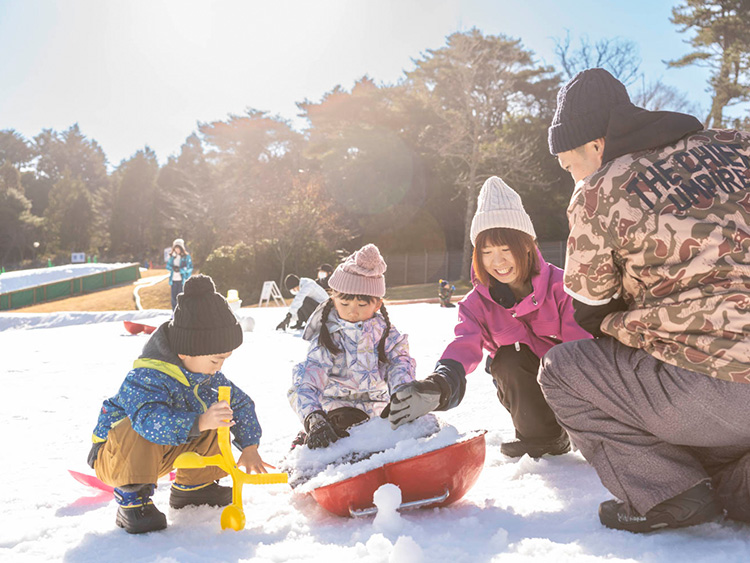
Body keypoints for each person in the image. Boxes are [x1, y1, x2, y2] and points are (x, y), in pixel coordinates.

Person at [537, 68, 750, 533]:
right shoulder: (738, 146)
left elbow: (590, 303)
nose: (571, 178)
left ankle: (669, 493)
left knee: (563, 371)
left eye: (569, 165)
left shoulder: (599, 190)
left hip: (712, 391)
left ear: (595, 145)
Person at [386, 177, 591, 458]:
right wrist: (438, 386)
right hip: (527, 396)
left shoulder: (563, 286)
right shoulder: (476, 304)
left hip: (575, 392)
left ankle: (588, 430)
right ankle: (542, 438)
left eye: (507, 250)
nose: (498, 262)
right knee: (507, 358)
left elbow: (584, 352)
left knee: (568, 357)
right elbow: (463, 346)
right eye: (487, 252)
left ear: (528, 246)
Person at [87, 274, 271, 534]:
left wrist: (250, 446)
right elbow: (148, 421)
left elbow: (240, 404)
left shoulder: (206, 378)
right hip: (116, 456)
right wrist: (198, 421)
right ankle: (132, 500)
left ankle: (195, 487)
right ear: (186, 351)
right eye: (216, 360)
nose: (220, 368)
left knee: (217, 413)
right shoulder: (147, 376)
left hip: (162, 451)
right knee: (141, 422)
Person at [288, 244, 416, 449]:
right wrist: (313, 416)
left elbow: (400, 364)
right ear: (333, 298)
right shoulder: (328, 337)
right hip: (334, 412)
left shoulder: (386, 335)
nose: (352, 312)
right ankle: (310, 450)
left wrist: (402, 395)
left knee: (407, 430)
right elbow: (307, 379)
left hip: (378, 412)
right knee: (338, 438)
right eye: (344, 304)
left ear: (377, 304)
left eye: (362, 305)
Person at [166, 238, 193, 310]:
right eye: (175, 248)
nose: (176, 250)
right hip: (173, 280)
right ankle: (174, 313)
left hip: (181, 280)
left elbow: (189, 268)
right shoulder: (172, 257)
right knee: (173, 298)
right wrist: (173, 268)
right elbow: (168, 266)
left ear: (181, 248)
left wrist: (180, 270)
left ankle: (181, 313)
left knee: (181, 298)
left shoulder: (186, 257)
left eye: (178, 248)